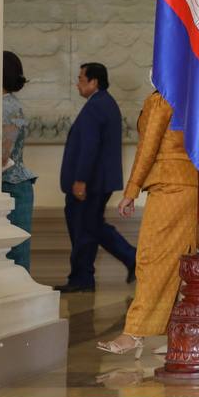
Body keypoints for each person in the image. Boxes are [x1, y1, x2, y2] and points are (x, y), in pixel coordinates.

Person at [96, 90, 199, 358]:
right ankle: (178, 334)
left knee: (152, 258)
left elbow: (148, 147)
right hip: (188, 183)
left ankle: (134, 333)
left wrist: (131, 190)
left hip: (170, 184)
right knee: (177, 261)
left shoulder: (162, 98)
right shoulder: (192, 93)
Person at [54, 62, 136, 293]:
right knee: (90, 227)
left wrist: (81, 180)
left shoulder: (96, 107)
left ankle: (87, 275)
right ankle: (85, 276)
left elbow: (90, 147)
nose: (77, 84)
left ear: (94, 82)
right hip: (98, 181)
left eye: (81, 79)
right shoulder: (104, 103)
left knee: (84, 228)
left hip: (90, 183)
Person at [2, 51, 36, 271]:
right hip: (7, 184)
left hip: (12, 186)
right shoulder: (4, 104)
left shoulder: (9, 106)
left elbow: (2, 154)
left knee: (15, 255)